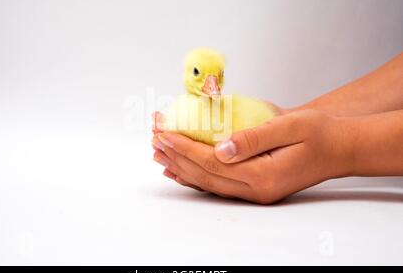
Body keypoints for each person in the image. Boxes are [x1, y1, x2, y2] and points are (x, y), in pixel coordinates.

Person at [151, 52, 403, 204]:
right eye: (199, 74)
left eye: (218, 76)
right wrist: (293, 122)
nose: (213, 85)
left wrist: (345, 147)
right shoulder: (186, 110)